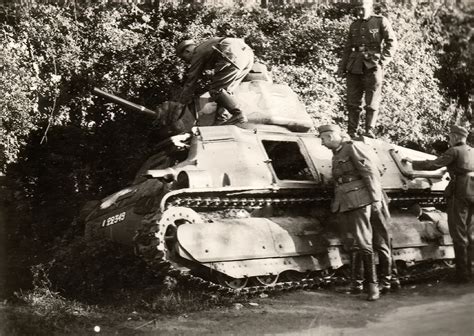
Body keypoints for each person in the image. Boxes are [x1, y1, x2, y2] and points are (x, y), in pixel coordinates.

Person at [318, 124, 394, 301]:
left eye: (323, 139)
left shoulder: (352, 147)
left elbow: (369, 173)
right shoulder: (337, 153)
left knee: (365, 243)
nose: (321, 143)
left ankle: (374, 287)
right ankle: (358, 283)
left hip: (361, 200)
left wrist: (375, 200)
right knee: (356, 243)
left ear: (330, 136)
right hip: (348, 201)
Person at [403, 125, 474, 283]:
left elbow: (433, 164)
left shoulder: (454, 151)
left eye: (450, 137)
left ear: (455, 137)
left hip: (459, 193)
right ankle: (472, 270)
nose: (449, 140)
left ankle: (462, 275)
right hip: (472, 192)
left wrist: (412, 163)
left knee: (459, 234)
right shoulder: (472, 151)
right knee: (471, 233)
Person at [336, 0, 397, 139]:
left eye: (362, 8)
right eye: (357, 9)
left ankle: (369, 130)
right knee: (352, 101)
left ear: (370, 7)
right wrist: (342, 67)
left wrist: (383, 61)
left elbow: (391, 42)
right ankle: (352, 131)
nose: (360, 12)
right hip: (354, 65)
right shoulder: (354, 25)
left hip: (373, 65)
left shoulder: (380, 21)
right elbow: (347, 47)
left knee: (372, 100)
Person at [175, 37, 254, 125]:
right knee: (225, 91)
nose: (187, 62)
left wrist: (181, 103)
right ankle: (221, 120)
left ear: (187, 51)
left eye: (184, 58)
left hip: (232, 55)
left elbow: (191, 81)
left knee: (216, 90)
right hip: (248, 56)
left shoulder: (197, 53)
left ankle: (238, 114)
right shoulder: (206, 46)